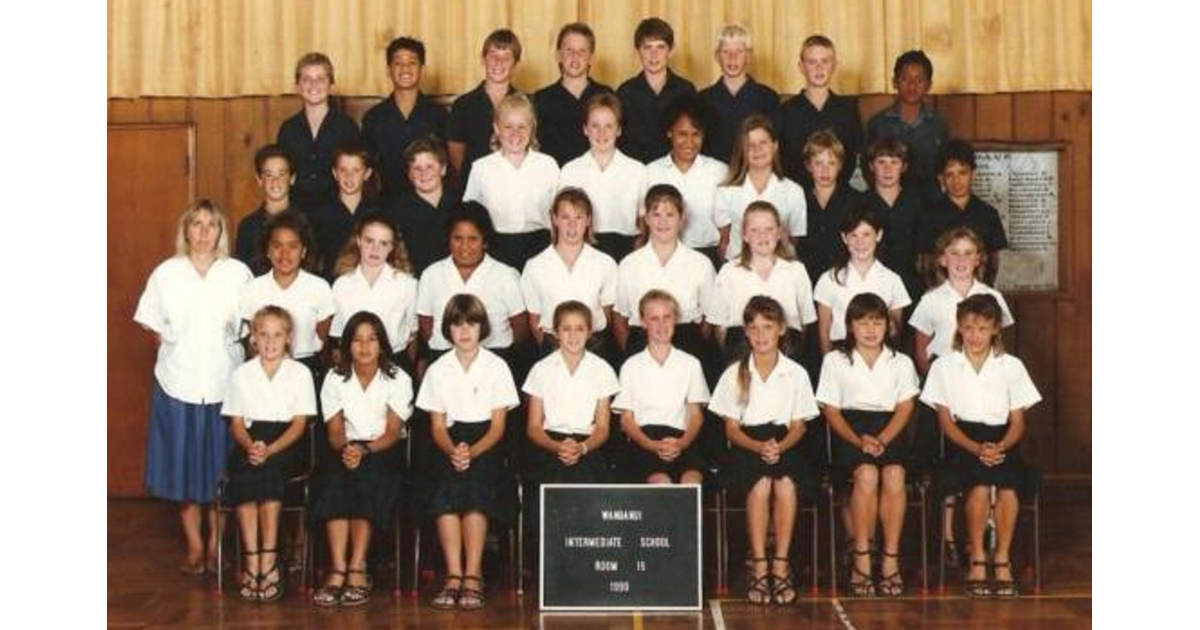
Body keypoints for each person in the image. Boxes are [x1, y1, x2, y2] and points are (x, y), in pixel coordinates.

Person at [134, 199, 253, 575]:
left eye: (211, 224)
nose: (203, 232)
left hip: (223, 385)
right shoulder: (167, 273)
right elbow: (149, 320)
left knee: (219, 471)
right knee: (184, 469)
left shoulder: (238, 273)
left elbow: (250, 327)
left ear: (221, 231)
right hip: (178, 384)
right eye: (196, 224)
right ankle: (195, 547)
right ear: (186, 230)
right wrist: (168, 340)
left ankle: (217, 546)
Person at [920, 294, 1041, 599]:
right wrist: (977, 449)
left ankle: (1001, 558)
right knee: (979, 483)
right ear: (959, 327)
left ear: (996, 329)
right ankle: (977, 558)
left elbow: (1018, 422)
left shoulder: (1011, 366)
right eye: (969, 328)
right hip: (962, 441)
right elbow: (946, 422)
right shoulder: (945, 366)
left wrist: (999, 446)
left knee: (1009, 487)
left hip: (1003, 440)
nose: (975, 336)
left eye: (983, 328)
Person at [708, 296, 820, 605]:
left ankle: (781, 564)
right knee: (760, 484)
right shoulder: (735, 373)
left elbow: (799, 426)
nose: (761, 335)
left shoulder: (796, 373)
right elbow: (731, 429)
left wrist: (779, 447)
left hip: (786, 443)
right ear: (745, 332)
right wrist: (758, 446)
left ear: (781, 329)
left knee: (784, 484)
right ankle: (759, 563)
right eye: (754, 328)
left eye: (767, 327)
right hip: (747, 443)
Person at [909, 229, 1014, 553]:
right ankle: (948, 539)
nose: (961, 260)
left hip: (980, 395)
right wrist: (943, 389)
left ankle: (984, 533)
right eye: (954, 253)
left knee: (987, 462)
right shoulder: (932, 299)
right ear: (942, 259)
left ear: (979, 259)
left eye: (969, 253)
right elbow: (922, 350)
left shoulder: (991, 297)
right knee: (946, 466)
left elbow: (999, 347)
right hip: (944, 392)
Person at [417, 294, 520, 611]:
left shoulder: (497, 366)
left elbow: (499, 427)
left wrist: (471, 452)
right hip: (448, 442)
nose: (464, 331)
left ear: (482, 327)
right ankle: (453, 575)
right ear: (448, 329)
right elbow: (436, 427)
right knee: (445, 489)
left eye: (471, 323)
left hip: (485, 442)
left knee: (476, 488)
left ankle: (473, 575)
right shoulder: (438, 368)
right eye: (457, 324)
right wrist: (454, 450)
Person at [815, 293, 920, 598]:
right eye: (862, 322)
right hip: (849, 431)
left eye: (877, 321)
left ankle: (889, 559)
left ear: (888, 326)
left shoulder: (901, 362)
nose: (870, 329)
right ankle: (861, 557)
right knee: (867, 475)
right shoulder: (835, 360)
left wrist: (884, 439)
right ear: (849, 326)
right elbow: (831, 410)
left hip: (890, 429)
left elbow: (905, 408)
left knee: (894, 475)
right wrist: (858, 439)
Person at [310, 311, 413, 607]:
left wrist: (365, 451)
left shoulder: (398, 377)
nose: (365, 347)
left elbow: (394, 432)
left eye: (372, 339)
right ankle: (337, 567)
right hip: (344, 446)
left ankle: (358, 567)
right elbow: (334, 432)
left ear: (382, 344)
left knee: (367, 477)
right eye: (357, 340)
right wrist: (351, 449)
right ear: (346, 345)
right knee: (333, 478)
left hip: (383, 448)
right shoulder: (334, 377)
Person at [222, 306, 316, 602]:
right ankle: (252, 561)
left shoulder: (300, 373)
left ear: (289, 338)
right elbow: (236, 423)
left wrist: (271, 449)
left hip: (286, 441)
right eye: (263, 334)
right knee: (245, 474)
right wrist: (251, 446)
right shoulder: (241, 374)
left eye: (277, 335)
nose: (270, 342)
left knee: (271, 473)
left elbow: (300, 424)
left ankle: (270, 559)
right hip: (250, 440)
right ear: (253, 339)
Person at [613, 290, 710, 484]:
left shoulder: (691, 363)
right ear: (642, 322)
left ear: (676, 319)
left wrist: (682, 443)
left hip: (682, 440)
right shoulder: (631, 366)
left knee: (691, 481)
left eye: (667, 317)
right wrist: (651, 445)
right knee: (662, 482)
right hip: (644, 442)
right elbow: (626, 420)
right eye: (654, 318)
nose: (662, 324)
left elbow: (696, 415)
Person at [416, 203, 528, 365]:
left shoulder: (506, 275)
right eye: (458, 239)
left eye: (473, 239)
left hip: (496, 357)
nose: (464, 247)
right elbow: (426, 324)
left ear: (485, 241)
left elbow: (520, 328)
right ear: (448, 239)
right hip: (444, 358)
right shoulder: (431, 274)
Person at [614, 184, 715, 359]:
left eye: (670, 215)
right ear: (646, 218)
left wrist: (693, 346)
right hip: (641, 342)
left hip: (687, 340)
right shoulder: (629, 264)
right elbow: (620, 317)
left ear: (681, 218)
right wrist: (633, 355)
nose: (663, 222)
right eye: (656, 215)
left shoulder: (701, 264)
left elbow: (710, 316)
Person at [708, 201, 816, 366]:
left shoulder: (796, 271)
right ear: (744, 235)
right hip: (741, 355)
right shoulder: (729, 272)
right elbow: (720, 327)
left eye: (769, 229)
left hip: (787, 355)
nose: (762, 236)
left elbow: (804, 322)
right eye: (754, 230)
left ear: (779, 233)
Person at [524, 301, 620, 483]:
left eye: (580, 329)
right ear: (555, 332)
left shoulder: (602, 369)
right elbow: (534, 427)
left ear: (590, 332)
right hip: (549, 444)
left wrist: (582, 448)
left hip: (588, 445)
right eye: (566, 329)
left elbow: (602, 427)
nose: (573, 335)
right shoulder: (541, 369)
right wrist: (557, 447)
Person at [237, 210, 334, 391]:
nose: (284, 254)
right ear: (267, 250)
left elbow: (323, 339)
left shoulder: (319, 288)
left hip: (306, 369)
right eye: (277, 246)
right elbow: (251, 340)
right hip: (263, 370)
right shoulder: (252, 289)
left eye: (293, 246)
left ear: (304, 251)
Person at [462, 93, 560, 270]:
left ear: (532, 128)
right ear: (497, 128)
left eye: (522, 126)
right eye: (508, 127)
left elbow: (559, 214)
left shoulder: (548, 165)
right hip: (496, 249)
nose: (515, 133)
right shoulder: (481, 168)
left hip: (541, 248)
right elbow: (471, 218)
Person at [519, 187, 619, 362]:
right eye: (565, 217)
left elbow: (607, 312)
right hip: (552, 347)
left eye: (579, 217)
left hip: (594, 346)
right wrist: (553, 349)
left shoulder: (605, 263)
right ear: (554, 219)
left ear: (588, 220)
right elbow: (535, 320)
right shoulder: (535, 266)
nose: (572, 225)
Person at [558, 93, 648, 262]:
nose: (602, 133)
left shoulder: (637, 171)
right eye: (595, 126)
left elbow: (644, 224)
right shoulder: (570, 171)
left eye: (609, 126)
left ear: (619, 129)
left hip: (627, 251)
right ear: (585, 128)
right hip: (583, 252)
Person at [361, 36, 448, 205]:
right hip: (387, 205)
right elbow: (366, 170)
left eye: (412, 63)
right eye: (398, 63)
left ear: (422, 69)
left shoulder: (439, 115)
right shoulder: (374, 118)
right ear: (388, 70)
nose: (405, 69)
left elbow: (447, 167)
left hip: (429, 203)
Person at [329, 213, 419, 373]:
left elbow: (413, 333)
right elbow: (337, 337)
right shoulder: (341, 285)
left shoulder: (407, 284)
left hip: (395, 362)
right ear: (358, 241)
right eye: (369, 241)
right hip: (354, 364)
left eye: (383, 243)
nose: (375, 249)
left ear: (392, 247)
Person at [814, 209, 911, 356]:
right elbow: (824, 329)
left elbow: (896, 331)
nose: (860, 242)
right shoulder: (829, 278)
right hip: (840, 352)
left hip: (880, 353)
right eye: (853, 235)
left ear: (878, 235)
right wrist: (828, 363)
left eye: (866, 234)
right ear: (844, 238)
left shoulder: (893, 280)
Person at [647, 95, 729, 266]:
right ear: (670, 132)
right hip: (662, 255)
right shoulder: (651, 172)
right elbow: (643, 224)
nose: (689, 142)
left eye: (696, 134)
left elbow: (726, 229)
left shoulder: (719, 171)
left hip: (708, 255)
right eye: (682, 134)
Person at [276, 52, 361, 212]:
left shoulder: (347, 127)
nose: (313, 85)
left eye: (320, 79)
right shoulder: (288, 129)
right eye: (306, 79)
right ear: (297, 86)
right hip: (298, 212)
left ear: (331, 86)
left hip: (337, 211)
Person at [714, 115, 806, 262]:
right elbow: (724, 240)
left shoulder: (794, 191)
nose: (757, 149)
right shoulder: (726, 191)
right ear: (742, 150)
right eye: (750, 145)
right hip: (739, 269)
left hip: (780, 268)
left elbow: (794, 238)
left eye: (763, 142)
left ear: (775, 146)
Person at [776, 35, 862, 191]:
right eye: (812, 62)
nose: (819, 68)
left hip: (838, 196)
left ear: (834, 65)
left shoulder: (848, 109)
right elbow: (780, 161)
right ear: (801, 67)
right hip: (796, 195)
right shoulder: (785, 111)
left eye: (825, 61)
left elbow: (853, 160)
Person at [919, 139, 1008, 285]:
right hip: (941, 295)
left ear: (973, 174)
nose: (957, 180)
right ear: (941, 178)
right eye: (949, 175)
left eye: (962, 173)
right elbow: (925, 265)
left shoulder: (988, 214)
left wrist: (981, 292)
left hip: (978, 295)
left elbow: (993, 264)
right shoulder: (928, 216)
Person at [865, 50, 948, 203]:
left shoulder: (938, 125)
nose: (912, 85)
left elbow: (943, 169)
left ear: (929, 85)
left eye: (919, 80)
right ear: (894, 82)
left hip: (929, 204)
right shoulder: (877, 124)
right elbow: (867, 169)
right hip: (888, 203)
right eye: (905, 79)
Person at [447, 29, 522, 187]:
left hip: (515, 184)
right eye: (493, 55)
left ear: (516, 64)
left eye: (506, 57)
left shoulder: (526, 105)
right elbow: (456, 152)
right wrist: (478, 177)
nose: (498, 62)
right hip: (475, 186)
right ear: (483, 59)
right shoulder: (463, 105)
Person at [616, 17, 696, 163]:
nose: (654, 55)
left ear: (670, 51)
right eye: (647, 47)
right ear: (638, 51)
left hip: (675, 172)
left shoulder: (686, 90)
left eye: (660, 47)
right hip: (637, 173)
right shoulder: (625, 92)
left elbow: (694, 137)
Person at [533, 22, 614, 166]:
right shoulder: (541, 99)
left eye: (582, 51)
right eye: (569, 50)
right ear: (558, 55)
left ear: (591, 58)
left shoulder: (607, 96)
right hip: (556, 182)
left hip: (599, 177)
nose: (575, 56)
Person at [698, 24, 779, 163]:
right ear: (717, 56)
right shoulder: (703, 99)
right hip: (715, 177)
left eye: (739, 52)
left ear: (748, 56)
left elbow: (772, 147)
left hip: (753, 174)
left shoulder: (768, 97)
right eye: (726, 52)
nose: (732, 58)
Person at [386, 136, 459, 277]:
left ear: (443, 169)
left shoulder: (460, 205)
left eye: (430, 166)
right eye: (417, 168)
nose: (423, 173)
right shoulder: (397, 212)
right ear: (409, 174)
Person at [800, 130, 866, 280]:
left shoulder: (855, 200)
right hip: (806, 276)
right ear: (808, 166)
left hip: (844, 276)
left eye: (832, 163)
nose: (825, 170)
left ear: (840, 166)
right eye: (818, 163)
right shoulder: (799, 198)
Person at [312, 143, 384, 280]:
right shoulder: (319, 214)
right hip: (332, 285)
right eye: (343, 170)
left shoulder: (379, 213)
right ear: (335, 173)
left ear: (367, 174)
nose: (349, 176)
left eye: (356, 170)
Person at [863, 137, 923, 301]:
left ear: (904, 167)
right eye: (881, 162)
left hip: (910, 280)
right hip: (871, 280)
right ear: (871, 166)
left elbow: (925, 251)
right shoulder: (860, 203)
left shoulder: (917, 203)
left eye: (894, 162)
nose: (888, 169)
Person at [236, 145, 298, 275]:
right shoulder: (247, 227)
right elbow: (242, 273)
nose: (275, 181)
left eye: (282, 174)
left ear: (292, 178)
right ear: (259, 179)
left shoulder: (307, 223)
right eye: (268, 175)